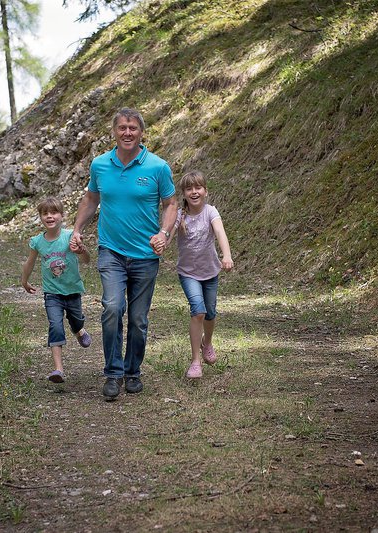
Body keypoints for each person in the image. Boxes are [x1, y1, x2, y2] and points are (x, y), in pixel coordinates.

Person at [69, 107, 177, 401]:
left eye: (133, 128)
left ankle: (133, 371)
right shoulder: (101, 165)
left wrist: (164, 234)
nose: (127, 133)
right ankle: (113, 373)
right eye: (122, 128)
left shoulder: (157, 167)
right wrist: (77, 228)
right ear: (114, 132)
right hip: (111, 251)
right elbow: (92, 198)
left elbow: (170, 204)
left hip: (145, 254)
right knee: (113, 308)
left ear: (142, 132)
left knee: (139, 319)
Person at [166, 170, 233, 379]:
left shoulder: (211, 212)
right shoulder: (179, 216)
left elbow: (220, 233)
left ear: (205, 191)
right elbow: (167, 237)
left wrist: (227, 256)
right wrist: (160, 243)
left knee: (210, 312)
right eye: (189, 189)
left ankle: (208, 343)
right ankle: (195, 361)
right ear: (184, 194)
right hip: (188, 273)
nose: (194, 192)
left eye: (198, 188)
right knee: (198, 311)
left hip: (210, 271)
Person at [21, 196, 92, 383]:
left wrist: (82, 250)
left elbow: (87, 260)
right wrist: (24, 281)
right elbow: (30, 263)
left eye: (53, 213)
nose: (49, 216)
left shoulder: (70, 236)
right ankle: (58, 369)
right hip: (52, 293)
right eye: (45, 213)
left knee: (76, 320)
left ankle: (79, 331)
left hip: (73, 290)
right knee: (55, 325)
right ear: (41, 217)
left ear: (62, 216)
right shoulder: (37, 242)